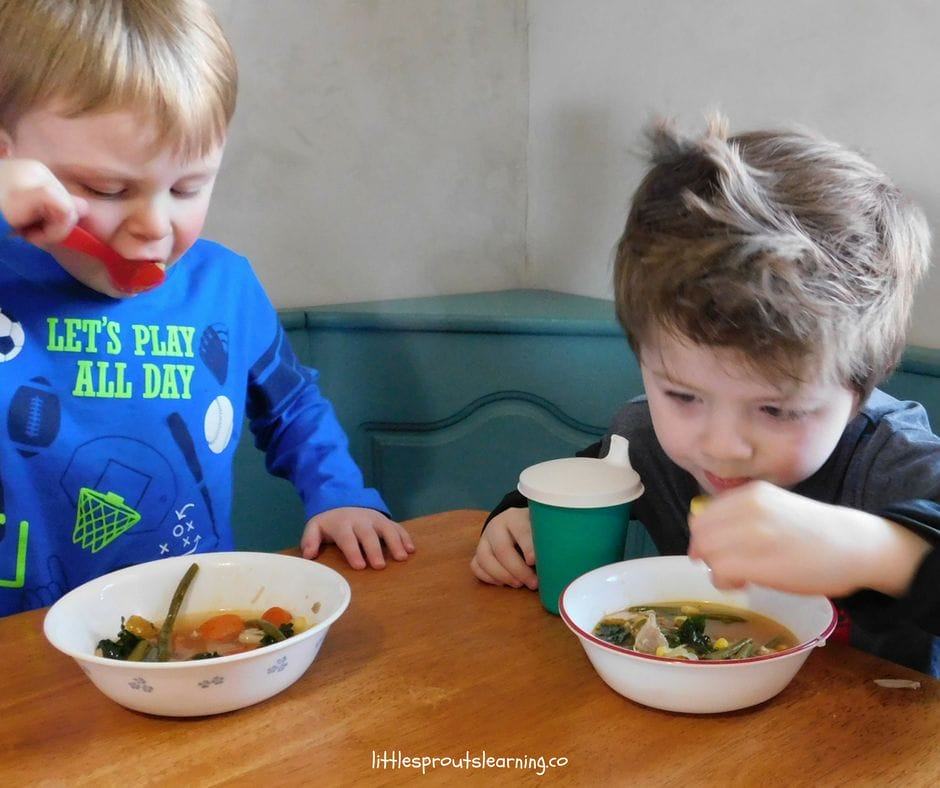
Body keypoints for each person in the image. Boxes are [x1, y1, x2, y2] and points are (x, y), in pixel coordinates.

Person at [472, 114, 940, 675]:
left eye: (777, 409)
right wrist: (516, 523)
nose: (720, 447)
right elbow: (579, 488)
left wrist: (877, 551)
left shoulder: (893, 463)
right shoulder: (642, 440)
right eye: (683, 396)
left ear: (859, 393)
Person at [0, 0, 413, 616]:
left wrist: (339, 492)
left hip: (189, 626)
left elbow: (293, 406)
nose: (154, 227)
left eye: (188, 187)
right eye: (106, 189)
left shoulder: (225, 287)